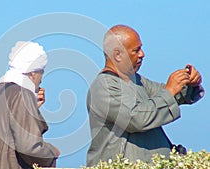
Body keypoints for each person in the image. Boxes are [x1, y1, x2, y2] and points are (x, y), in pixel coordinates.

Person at [86, 25, 204, 166]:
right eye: (136, 50)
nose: (142, 54)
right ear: (117, 55)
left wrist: (190, 83)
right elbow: (136, 118)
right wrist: (170, 91)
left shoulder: (137, 81)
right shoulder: (104, 86)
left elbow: (171, 96)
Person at [0, 41, 60, 169]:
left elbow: (6, 125)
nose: (41, 78)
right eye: (41, 72)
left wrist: (33, 108)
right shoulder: (22, 95)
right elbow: (28, 146)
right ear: (33, 73)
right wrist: (51, 153)